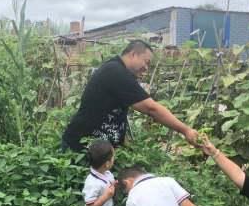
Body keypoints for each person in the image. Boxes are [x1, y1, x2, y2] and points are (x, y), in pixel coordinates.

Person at [62, 40, 199, 152]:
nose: (146, 68)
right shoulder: (115, 72)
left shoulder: (118, 70)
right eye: (146, 62)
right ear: (133, 54)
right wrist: (185, 130)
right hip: (81, 149)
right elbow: (151, 109)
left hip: (97, 151)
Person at [82, 139, 117, 206]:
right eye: (113, 157)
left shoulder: (107, 173)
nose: (115, 158)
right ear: (107, 163)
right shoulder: (92, 183)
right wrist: (105, 197)